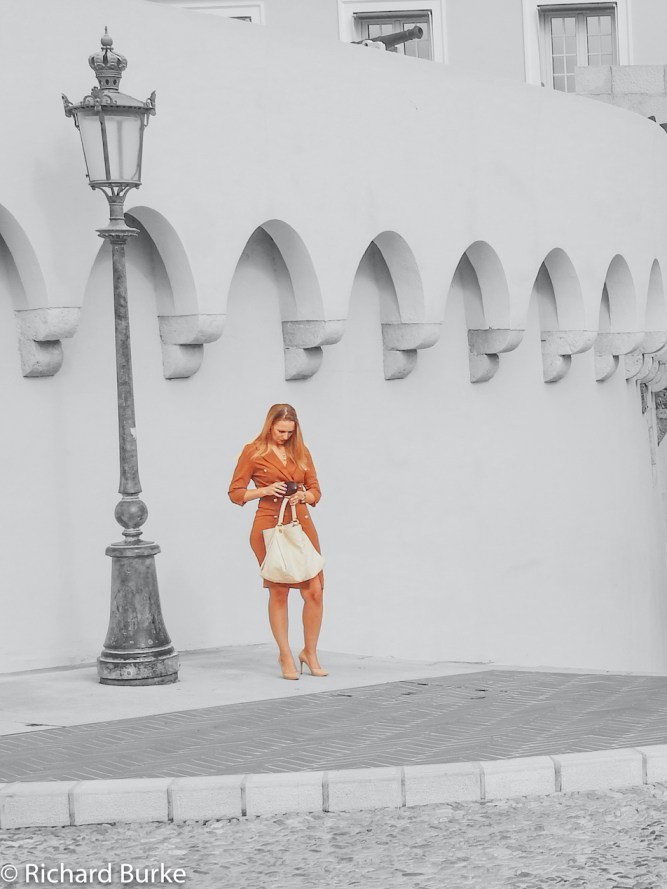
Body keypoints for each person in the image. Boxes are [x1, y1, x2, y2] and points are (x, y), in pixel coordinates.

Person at [228, 404, 327, 680]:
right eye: (280, 431)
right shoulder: (253, 451)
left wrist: (305, 496)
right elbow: (235, 493)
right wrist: (265, 490)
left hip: (301, 523)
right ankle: (285, 655)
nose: (285, 436)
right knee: (279, 591)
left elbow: (316, 490)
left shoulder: (301, 451)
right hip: (269, 524)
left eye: (289, 432)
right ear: (270, 425)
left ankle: (310, 652)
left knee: (315, 591)